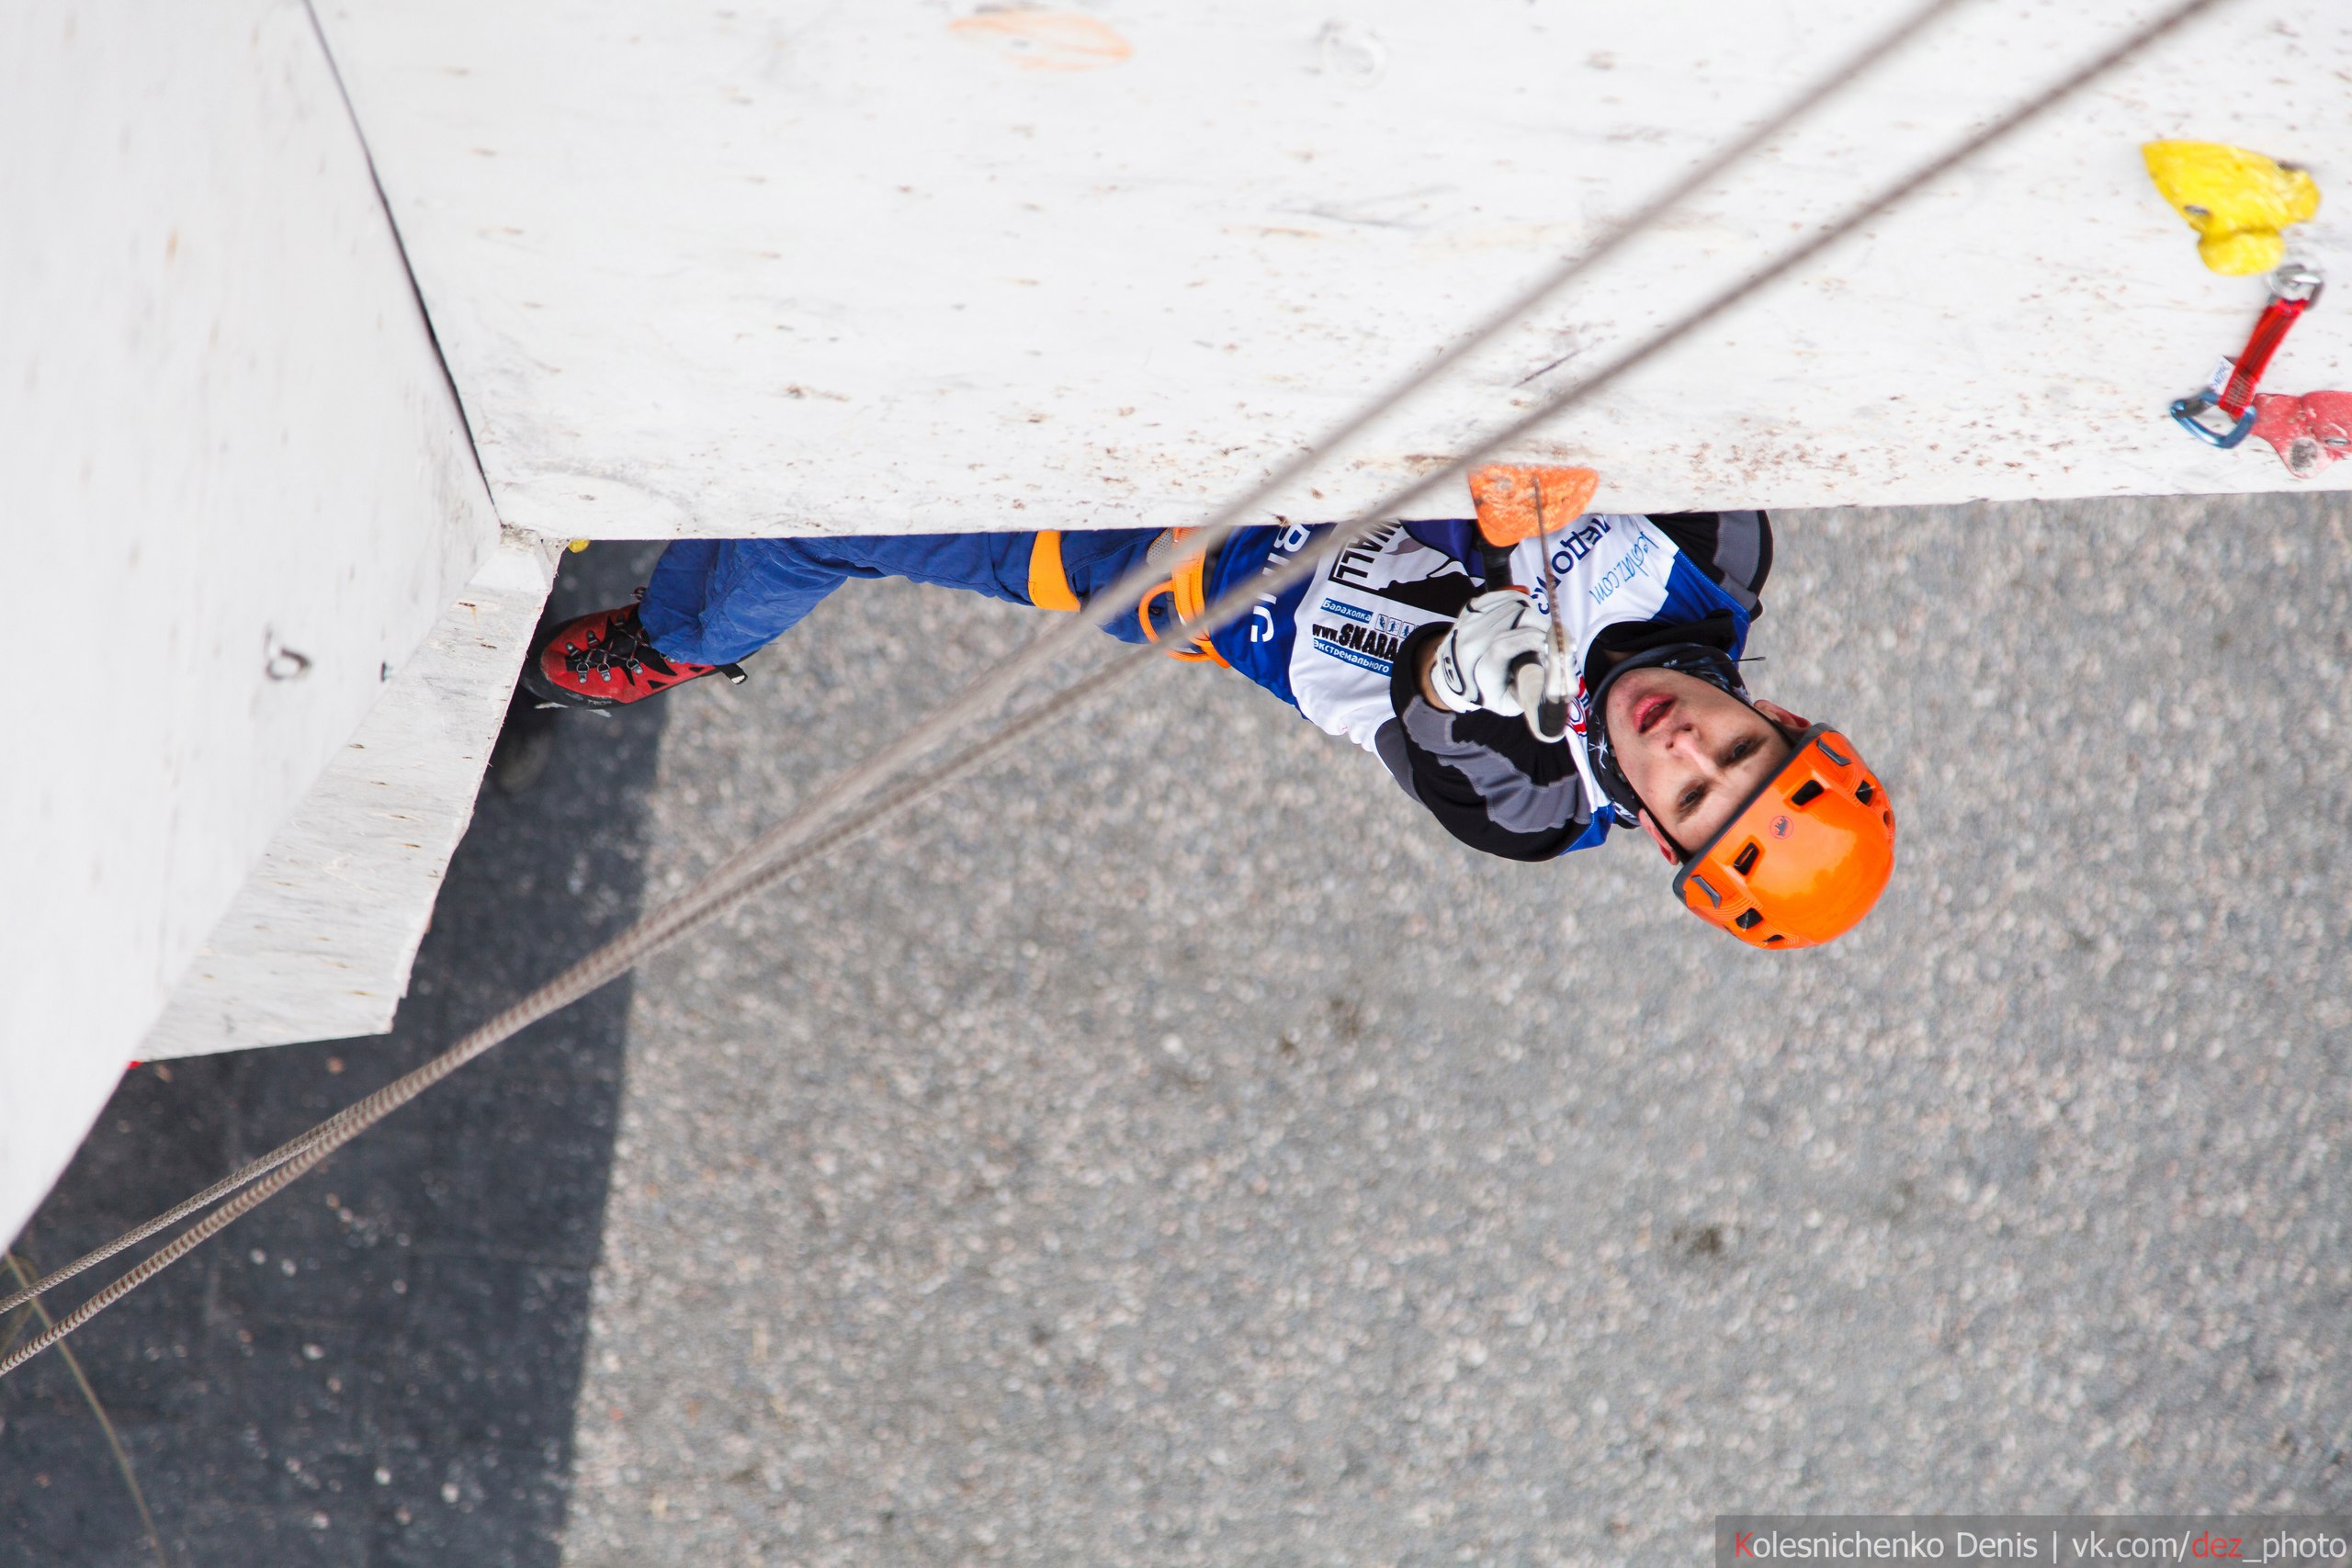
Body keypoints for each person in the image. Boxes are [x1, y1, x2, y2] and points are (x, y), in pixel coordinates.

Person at [525, 469, 1894, 946]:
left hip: (1187, 564)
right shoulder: (1714, 558)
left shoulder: (1536, 808)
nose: (1686, 749)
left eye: (1697, 800)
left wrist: (1468, 665)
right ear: (1779, 722)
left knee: (844, 516)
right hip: (1323, 415)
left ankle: (680, 637)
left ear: (1658, 836)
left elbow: (1444, 728)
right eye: (1739, 753)